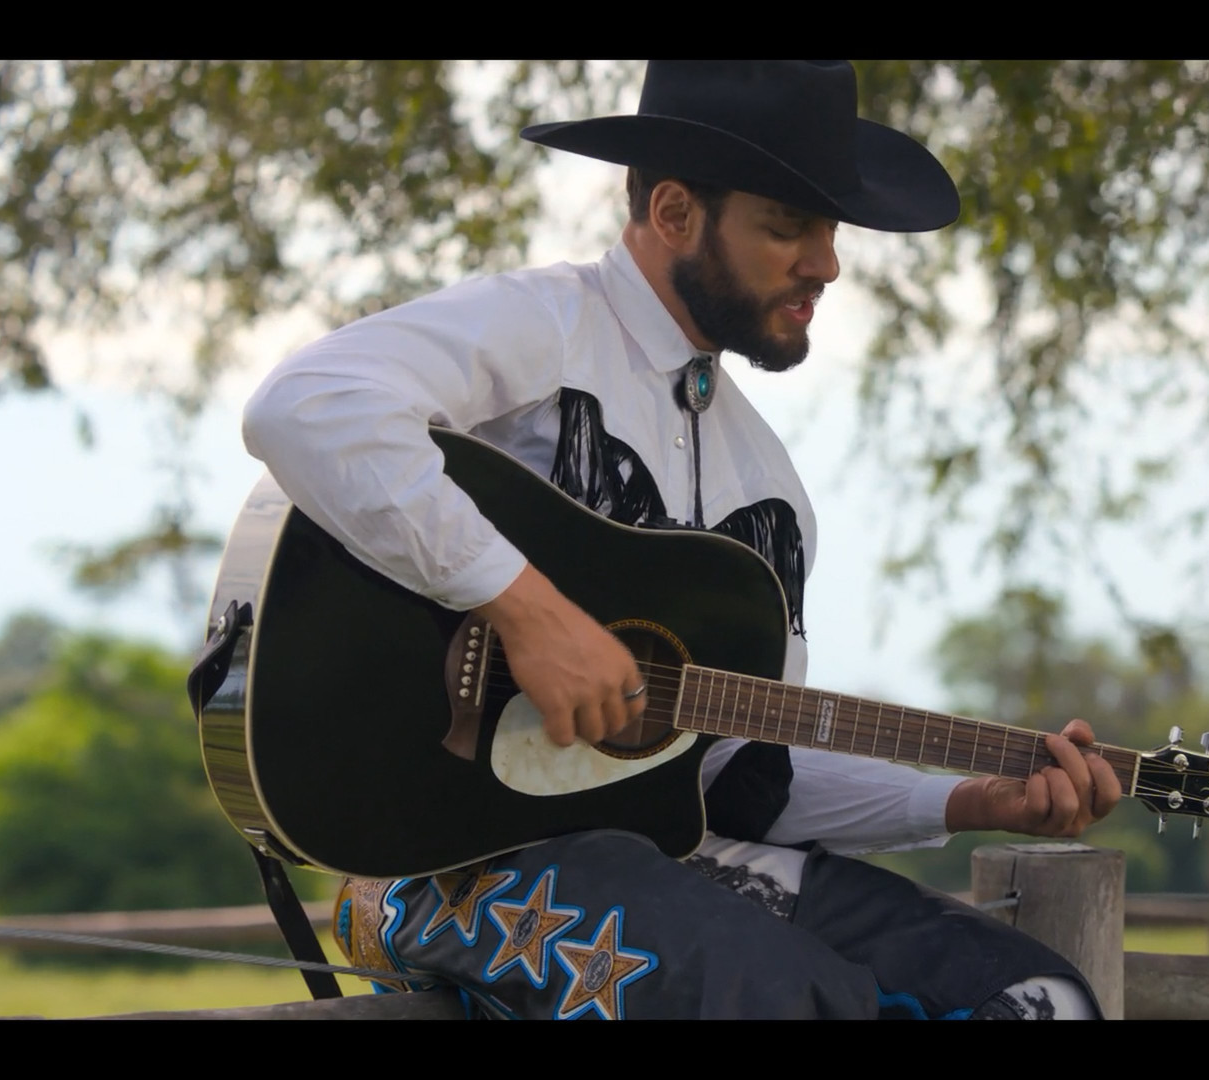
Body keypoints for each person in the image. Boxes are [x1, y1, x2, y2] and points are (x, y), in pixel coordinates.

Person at [239, 60, 1122, 1020]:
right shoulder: (543, 326)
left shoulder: (767, 491)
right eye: (788, 226)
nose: (826, 264)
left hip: (669, 860)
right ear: (673, 212)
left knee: (1037, 998)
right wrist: (528, 613)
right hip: (439, 861)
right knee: (780, 1000)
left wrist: (964, 801)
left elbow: (739, 775)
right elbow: (307, 405)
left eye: (831, 231)